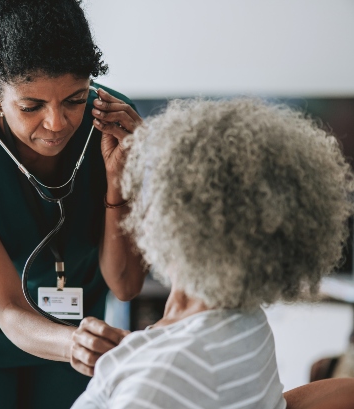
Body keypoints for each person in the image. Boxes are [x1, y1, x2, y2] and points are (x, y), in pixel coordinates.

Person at [0, 1, 146, 408]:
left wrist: (119, 181)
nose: (57, 123)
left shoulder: (117, 128)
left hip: (73, 319)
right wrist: (73, 342)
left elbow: (126, 286)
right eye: (31, 106)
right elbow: (6, 308)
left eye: (75, 99)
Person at [71, 98, 354, 408]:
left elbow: (174, 376)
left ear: (180, 221)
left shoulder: (160, 378)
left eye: (155, 188)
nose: (142, 202)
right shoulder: (247, 322)